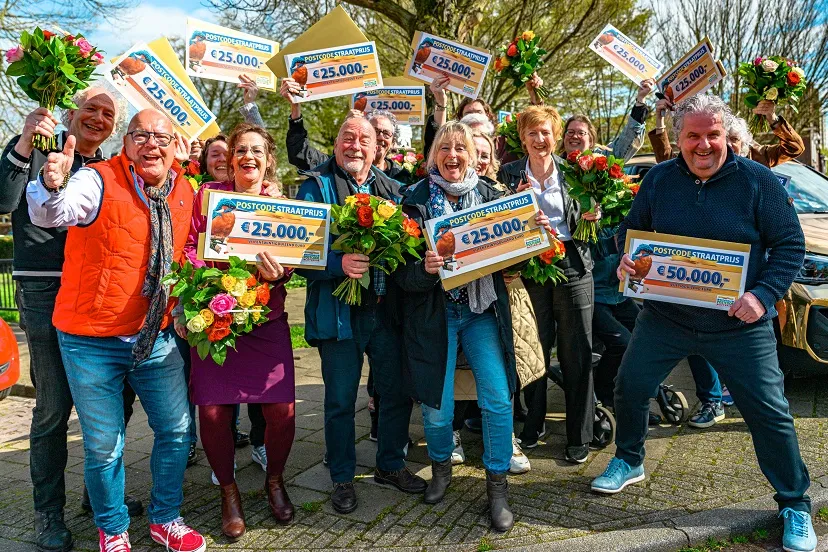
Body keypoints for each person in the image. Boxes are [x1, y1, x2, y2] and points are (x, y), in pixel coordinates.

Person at [592, 94, 816, 552]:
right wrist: (628, 259)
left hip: (738, 324)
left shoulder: (757, 180)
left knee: (770, 414)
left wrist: (762, 296)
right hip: (667, 317)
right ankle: (630, 459)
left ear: (725, 136)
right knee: (630, 386)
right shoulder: (658, 179)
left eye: (712, 134)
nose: (704, 144)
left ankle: (795, 503)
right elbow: (632, 231)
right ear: (678, 138)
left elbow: (791, 245)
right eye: (693, 135)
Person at [27, 109, 206, 552]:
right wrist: (52, 185)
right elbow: (54, 212)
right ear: (126, 143)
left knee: (177, 430)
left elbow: (189, 253)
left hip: (155, 336)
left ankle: (166, 518)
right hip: (90, 340)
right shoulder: (97, 179)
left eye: (161, 137)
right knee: (105, 444)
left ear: (176, 146)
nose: (151, 144)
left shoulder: (185, 190)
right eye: (140, 135)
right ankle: (112, 528)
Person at [0, 86, 144, 551]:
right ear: (70, 113)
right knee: (54, 406)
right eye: (90, 109)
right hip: (46, 289)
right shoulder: (38, 147)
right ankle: (48, 513)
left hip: (99, 292)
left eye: (108, 113)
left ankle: (97, 494)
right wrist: (26, 142)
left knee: (114, 400)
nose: (99, 118)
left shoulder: (110, 168)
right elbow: (3, 201)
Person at [396, 122, 551, 531]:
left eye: (460, 148)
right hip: (436, 316)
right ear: (434, 155)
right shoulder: (413, 202)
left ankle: (497, 486)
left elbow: (515, 262)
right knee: (437, 406)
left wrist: (532, 234)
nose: (453, 155)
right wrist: (424, 270)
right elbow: (402, 277)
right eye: (444, 148)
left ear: (472, 155)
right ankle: (441, 469)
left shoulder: (492, 197)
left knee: (498, 398)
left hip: (482, 311)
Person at [295, 116, 426, 514]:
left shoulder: (394, 190)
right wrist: (338, 264)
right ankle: (342, 477)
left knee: (396, 393)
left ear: (376, 147)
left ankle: (390, 464)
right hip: (340, 313)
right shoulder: (315, 187)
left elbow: (410, 247)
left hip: (385, 313)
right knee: (339, 400)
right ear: (336, 143)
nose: (355, 145)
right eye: (347, 137)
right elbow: (298, 254)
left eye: (363, 139)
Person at [177, 122, 296, 538]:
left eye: (257, 151)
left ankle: (274, 481)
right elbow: (188, 245)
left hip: (266, 320)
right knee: (213, 412)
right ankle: (228, 492)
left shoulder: (281, 204)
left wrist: (281, 272)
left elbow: (295, 257)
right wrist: (204, 281)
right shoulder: (209, 196)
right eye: (241, 150)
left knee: (282, 412)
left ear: (268, 160)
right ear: (230, 160)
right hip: (217, 316)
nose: (249, 156)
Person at [498, 105, 596, 463]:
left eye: (546, 133)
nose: (540, 139)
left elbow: (592, 214)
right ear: (522, 139)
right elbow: (497, 220)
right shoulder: (508, 174)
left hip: (572, 264)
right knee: (533, 348)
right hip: (530, 267)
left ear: (556, 137)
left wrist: (594, 213)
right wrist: (516, 207)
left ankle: (579, 435)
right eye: (533, 133)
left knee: (576, 351)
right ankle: (533, 424)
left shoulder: (575, 171)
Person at [276, 78, 414, 182]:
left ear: (393, 141)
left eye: (386, 133)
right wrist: (295, 107)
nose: (380, 137)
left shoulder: (402, 177)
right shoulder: (334, 165)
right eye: (374, 131)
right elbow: (299, 152)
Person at [649, 98, 805, 166]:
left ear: (744, 142)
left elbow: (794, 148)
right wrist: (660, 119)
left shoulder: (759, 156)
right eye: (724, 138)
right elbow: (667, 161)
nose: (729, 144)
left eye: (735, 139)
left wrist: (772, 117)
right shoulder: (706, 161)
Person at [559, 79, 655, 163]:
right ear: (564, 137)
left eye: (581, 133)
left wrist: (641, 98)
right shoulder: (553, 166)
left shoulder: (602, 161)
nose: (575, 136)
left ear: (591, 141)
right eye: (570, 132)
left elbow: (625, 142)